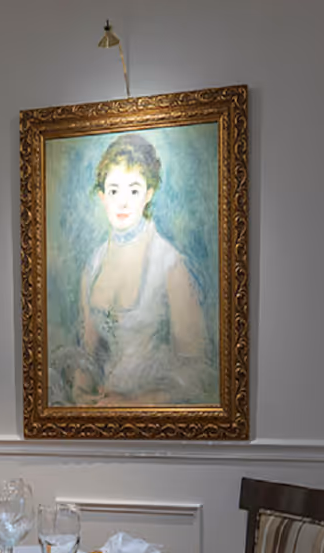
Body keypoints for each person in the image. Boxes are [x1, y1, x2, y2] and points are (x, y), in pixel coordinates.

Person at [55, 132, 214, 406]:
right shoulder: (93, 266)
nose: (123, 202)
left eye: (134, 189)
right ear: (102, 195)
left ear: (149, 194)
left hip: (156, 417)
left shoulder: (170, 264)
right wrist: (82, 391)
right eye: (114, 190)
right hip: (103, 409)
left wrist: (136, 403)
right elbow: (89, 354)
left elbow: (198, 373)